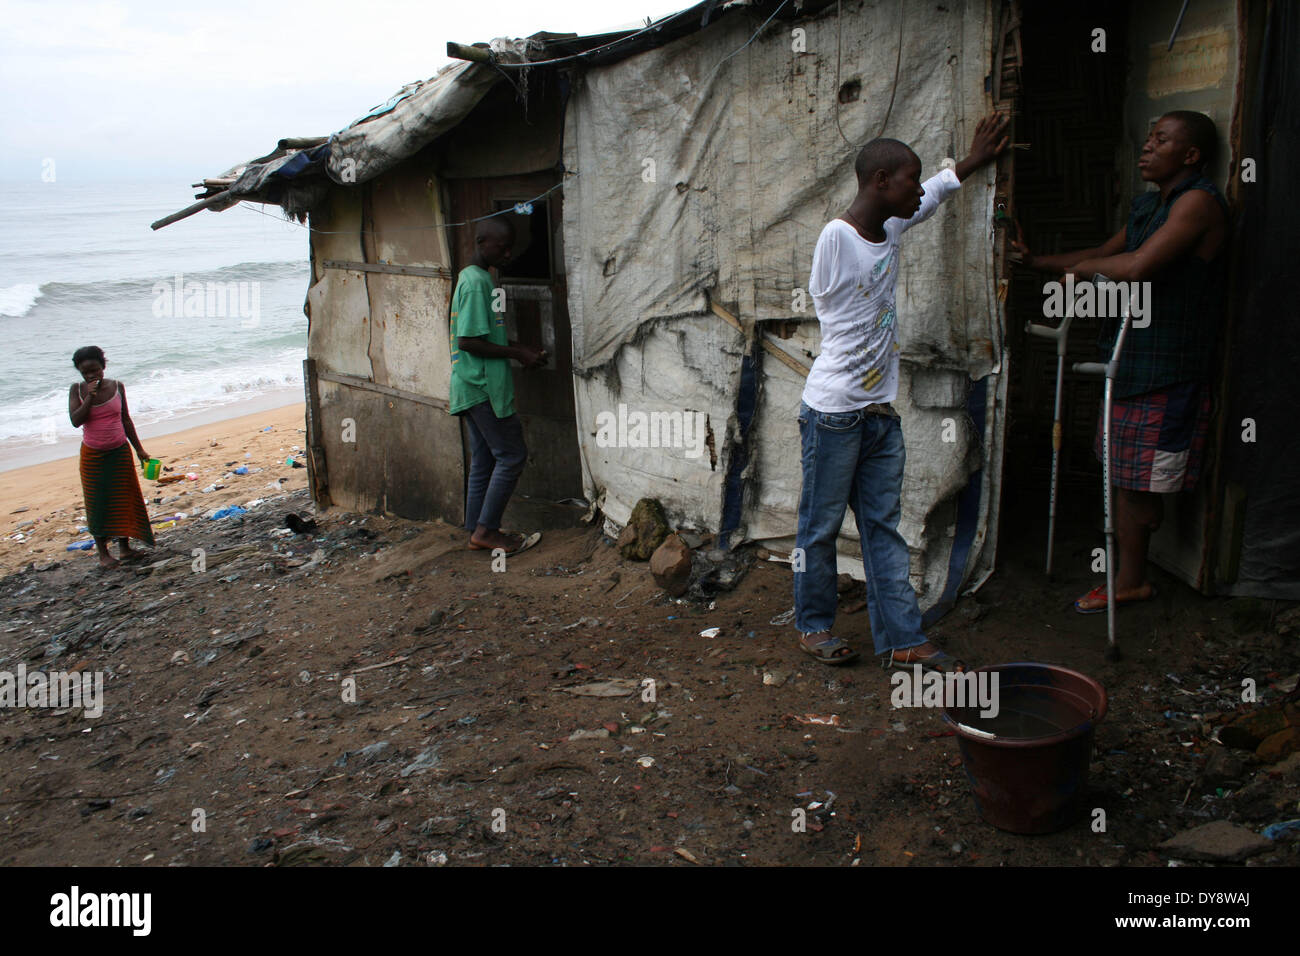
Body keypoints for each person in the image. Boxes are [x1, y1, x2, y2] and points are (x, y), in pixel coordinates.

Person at [795, 114, 1009, 667]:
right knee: (818, 529)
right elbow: (827, 297)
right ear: (880, 181)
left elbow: (933, 195)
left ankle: (903, 641)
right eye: (909, 180)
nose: (917, 189)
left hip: (878, 416)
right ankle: (814, 624)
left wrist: (969, 162)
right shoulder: (836, 238)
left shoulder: (889, 226)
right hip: (834, 414)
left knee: (882, 530)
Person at [1012, 111, 1227, 614]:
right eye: (1148, 137)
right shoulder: (1150, 206)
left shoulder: (1197, 203)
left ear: (1191, 156)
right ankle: (1128, 576)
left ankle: (1131, 580)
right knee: (1121, 470)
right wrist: (1039, 262)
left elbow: (1135, 267)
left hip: (1167, 365)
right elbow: (1106, 252)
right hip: (1130, 362)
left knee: (1139, 479)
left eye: (1161, 140)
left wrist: (1081, 274)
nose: (1147, 147)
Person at [449, 216, 548, 555]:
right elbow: (468, 340)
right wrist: (518, 352)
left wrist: (521, 349)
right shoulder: (477, 283)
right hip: (483, 386)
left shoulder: (477, 279)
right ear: (481, 243)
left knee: (484, 459)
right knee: (511, 455)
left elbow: (488, 334)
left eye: (510, 248)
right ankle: (488, 531)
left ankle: (476, 528)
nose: (507, 254)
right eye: (501, 247)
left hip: (471, 384)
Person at [67, 346, 155, 568]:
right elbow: (76, 421)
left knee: (123, 498)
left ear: (103, 367)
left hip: (119, 452)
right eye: (85, 372)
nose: (90, 375)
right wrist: (90, 396)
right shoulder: (77, 390)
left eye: (94, 370)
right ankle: (103, 553)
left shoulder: (117, 387)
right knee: (97, 502)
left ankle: (125, 548)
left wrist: (139, 449)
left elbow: (126, 420)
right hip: (93, 456)